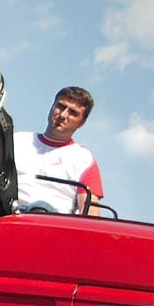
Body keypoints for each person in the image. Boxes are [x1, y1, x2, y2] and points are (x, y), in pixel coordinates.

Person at [12, 86, 104, 214]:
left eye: (73, 113)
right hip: (8, 216)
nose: (63, 115)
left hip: (53, 224)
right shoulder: (17, 140)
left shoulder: (83, 158)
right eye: (60, 106)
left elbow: (91, 214)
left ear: (82, 123)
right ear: (52, 106)